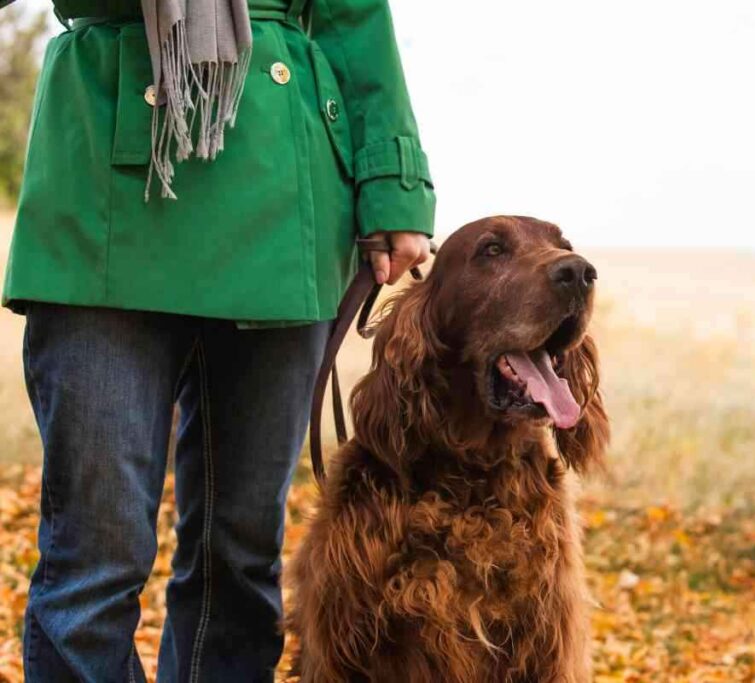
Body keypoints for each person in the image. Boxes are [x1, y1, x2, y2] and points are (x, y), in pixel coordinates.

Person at [0, 0, 435, 679]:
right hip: (101, 185)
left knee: (239, 558)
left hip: (283, 187)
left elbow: (352, 15)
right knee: (93, 561)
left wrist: (392, 180)